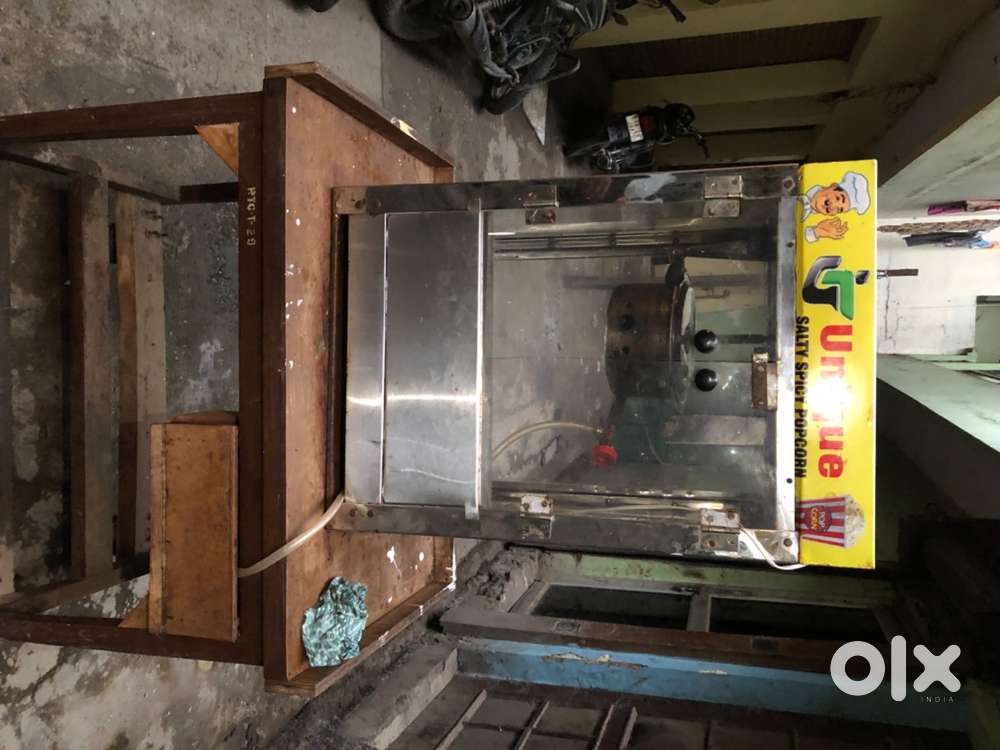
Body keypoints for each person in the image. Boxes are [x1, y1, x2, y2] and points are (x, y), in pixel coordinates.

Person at [801, 170, 871, 242]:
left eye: (839, 210)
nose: (832, 207)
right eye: (837, 198)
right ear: (833, 186)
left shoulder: (810, 215)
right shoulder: (803, 185)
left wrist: (818, 231)